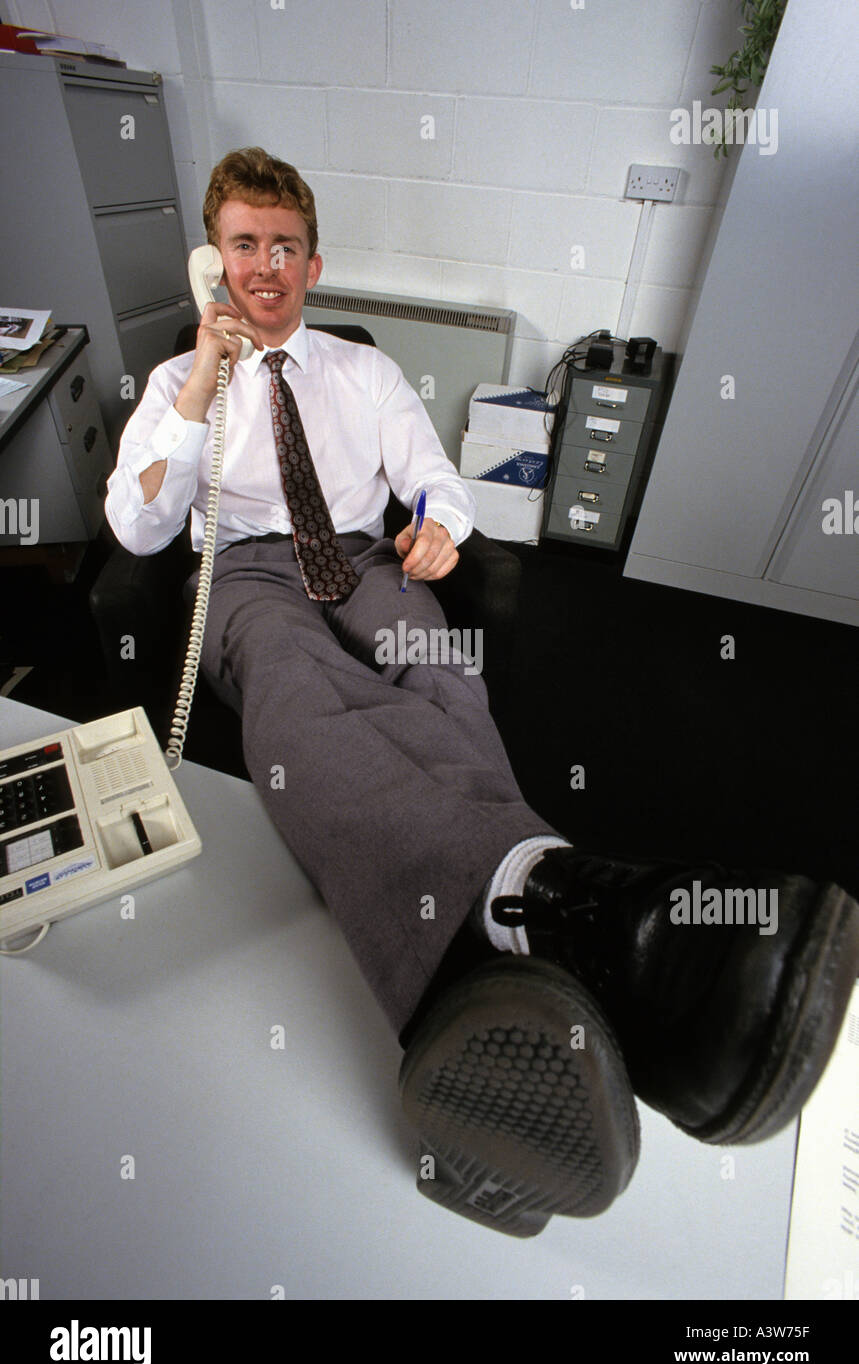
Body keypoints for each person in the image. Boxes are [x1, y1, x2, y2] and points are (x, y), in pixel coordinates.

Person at [105, 148, 859, 1238]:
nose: (263, 267)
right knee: (297, 699)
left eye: (282, 247)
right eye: (240, 246)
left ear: (313, 262)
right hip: (250, 573)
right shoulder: (184, 384)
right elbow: (134, 528)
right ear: (211, 263)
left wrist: (440, 527)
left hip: (364, 558)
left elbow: (436, 475)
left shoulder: (362, 374)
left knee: (438, 672)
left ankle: (517, 924)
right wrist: (197, 387)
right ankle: (561, 904)